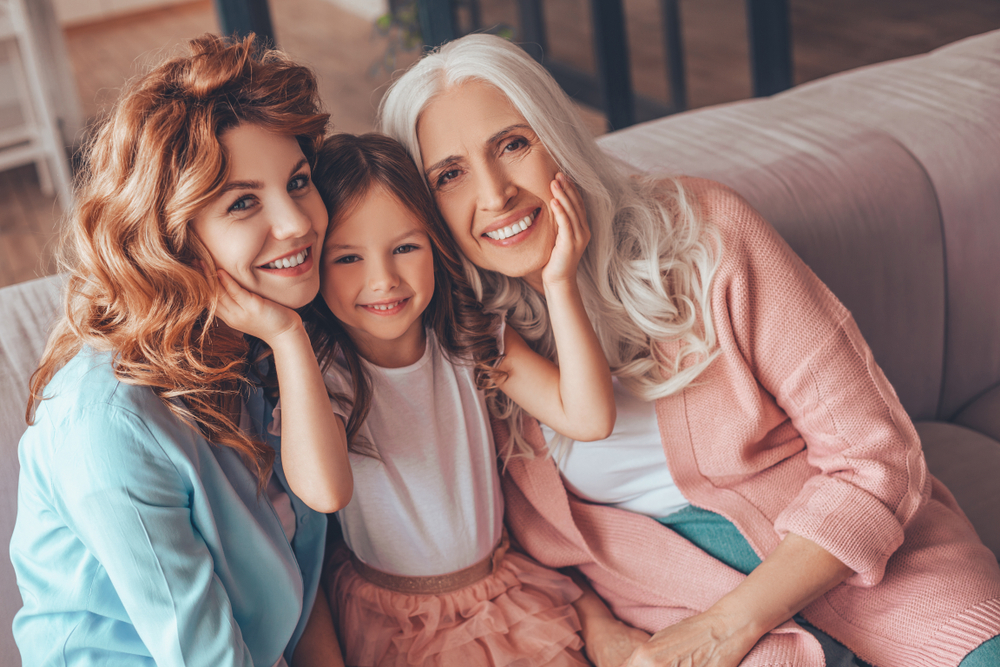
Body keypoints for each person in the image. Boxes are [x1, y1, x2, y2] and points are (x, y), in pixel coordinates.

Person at [377, 33, 1000, 667]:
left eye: (513, 144)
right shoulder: (462, 335)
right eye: (449, 175)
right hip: (672, 602)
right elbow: (496, 545)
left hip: (857, 549)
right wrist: (601, 630)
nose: (494, 194)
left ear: (558, 138)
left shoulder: (708, 234)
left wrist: (729, 624)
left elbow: (878, 455)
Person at [9, 34, 345, 667]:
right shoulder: (108, 423)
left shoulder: (268, 336)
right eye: (243, 201)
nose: (298, 222)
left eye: (298, 181)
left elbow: (305, 566)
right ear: (171, 239)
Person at [267, 132, 615, 666]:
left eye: (406, 248)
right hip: (390, 619)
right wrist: (285, 333)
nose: (383, 280)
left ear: (436, 246)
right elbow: (322, 492)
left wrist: (560, 281)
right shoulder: (323, 377)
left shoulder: (468, 338)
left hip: (500, 594)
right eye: (347, 259)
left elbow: (588, 417)